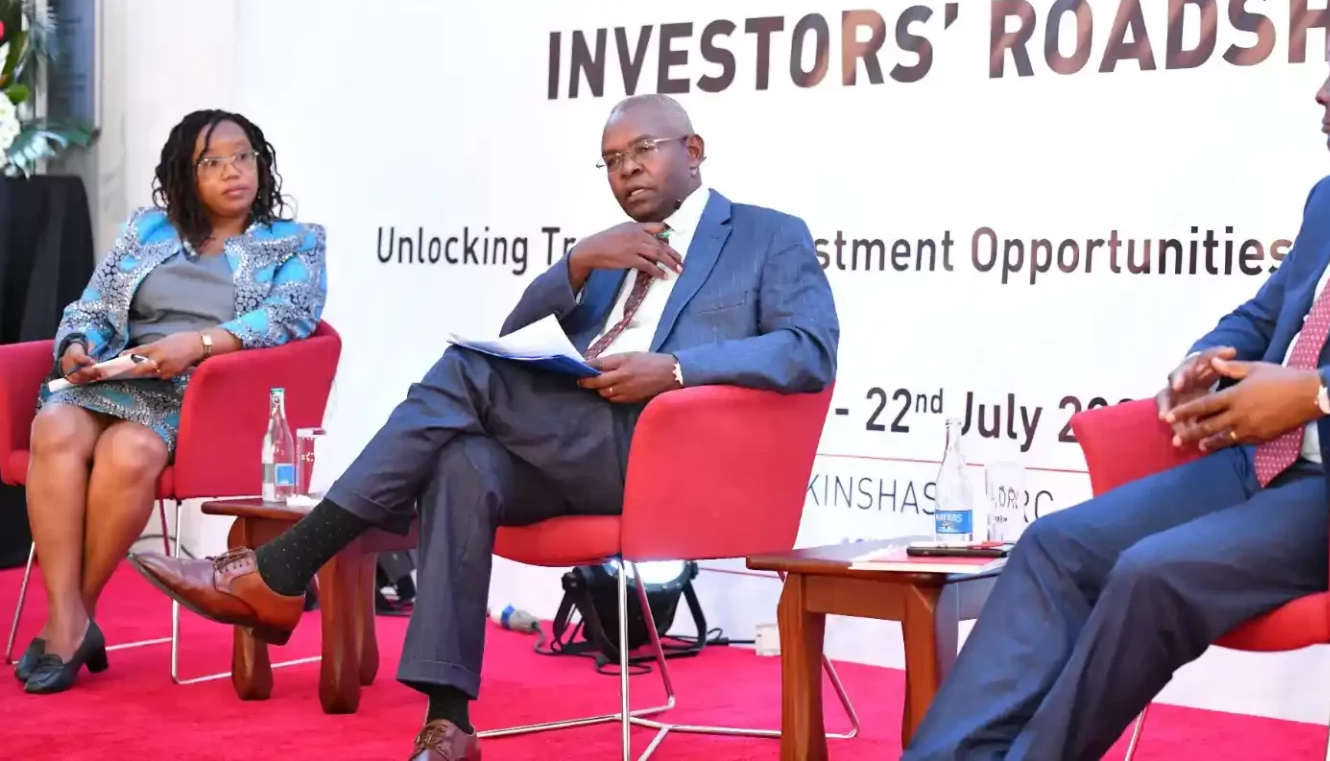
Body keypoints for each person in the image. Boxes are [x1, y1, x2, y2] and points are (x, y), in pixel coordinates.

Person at [903, 0, 1330, 761]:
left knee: (1150, 572)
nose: (1320, 91)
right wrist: (1206, 359)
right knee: (1053, 544)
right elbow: (1271, 310)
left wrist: (1317, 392)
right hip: (1253, 463)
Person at [130, 93, 838, 761]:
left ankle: (285, 566)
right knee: (463, 457)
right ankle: (449, 720)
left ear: (693, 149)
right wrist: (579, 262)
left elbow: (810, 347)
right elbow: (517, 341)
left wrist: (674, 367)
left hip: (669, 447)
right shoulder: (614, 249)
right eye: (613, 159)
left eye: (643, 150)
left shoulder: (767, 235)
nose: (627, 170)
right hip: (580, 445)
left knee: (465, 374)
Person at [17, 109, 327, 695]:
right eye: (213, 163)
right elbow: (91, 305)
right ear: (186, 176)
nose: (234, 172)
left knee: (129, 450)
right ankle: (70, 618)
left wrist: (201, 343)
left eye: (244, 157)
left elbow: (291, 317)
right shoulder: (148, 231)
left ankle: (70, 619)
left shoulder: (296, 242)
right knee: (55, 427)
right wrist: (77, 348)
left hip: (206, 392)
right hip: (119, 374)